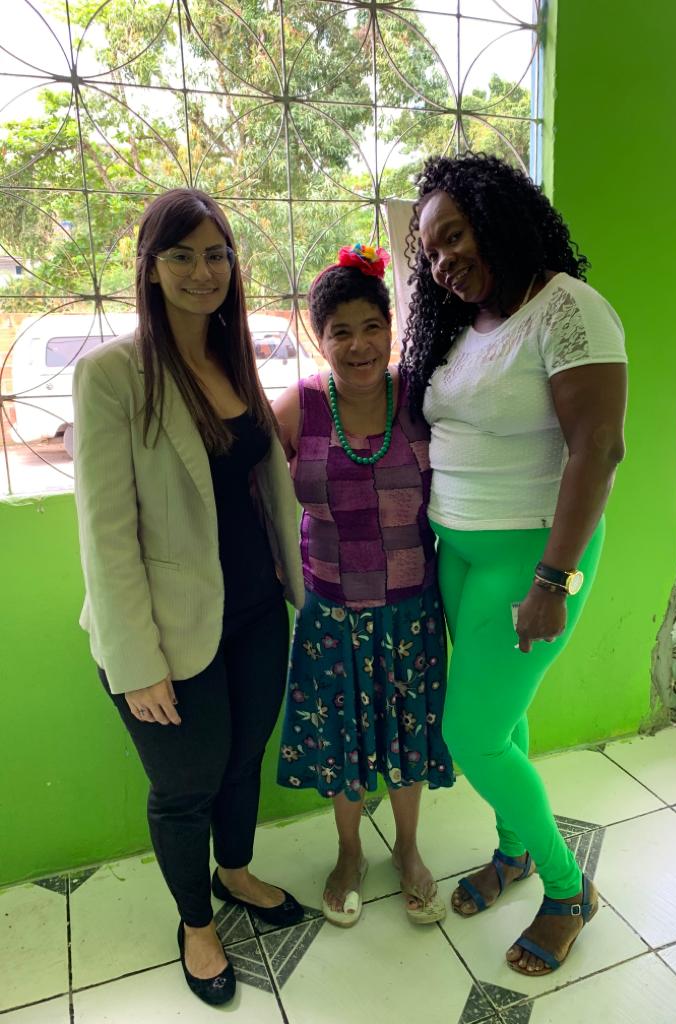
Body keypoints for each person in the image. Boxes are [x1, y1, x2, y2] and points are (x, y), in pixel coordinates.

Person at [73, 188, 305, 1006]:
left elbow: (259, 485)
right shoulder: (112, 375)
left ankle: (234, 870)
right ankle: (196, 923)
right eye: (182, 255)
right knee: (185, 786)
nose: (202, 271)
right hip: (166, 632)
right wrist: (135, 663)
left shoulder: (234, 357)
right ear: (150, 267)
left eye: (217, 254)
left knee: (244, 759)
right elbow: (106, 536)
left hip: (256, 611)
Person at [401, 153, 627, 976]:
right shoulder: (465, 324)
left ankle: (568, 891)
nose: (442, 261)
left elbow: (598, 449)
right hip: (458, 551)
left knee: (470, 734)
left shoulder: (569, 309)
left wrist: (552, 582)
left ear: (497, 218)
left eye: (454, 236)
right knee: (502, 723)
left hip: (531, 556)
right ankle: (513, 850)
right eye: (430, 251)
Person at [273, 243, 454, 928]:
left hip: (412, 610)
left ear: (390, 328)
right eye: (340, 331)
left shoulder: (420, 398)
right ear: (318, 339)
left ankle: (407, 849)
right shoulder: (300, 406)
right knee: (342, 740)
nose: (358, 345)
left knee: (408, 736)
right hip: (331, 613)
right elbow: (251, 488)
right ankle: (349, 854)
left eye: (372, 327)